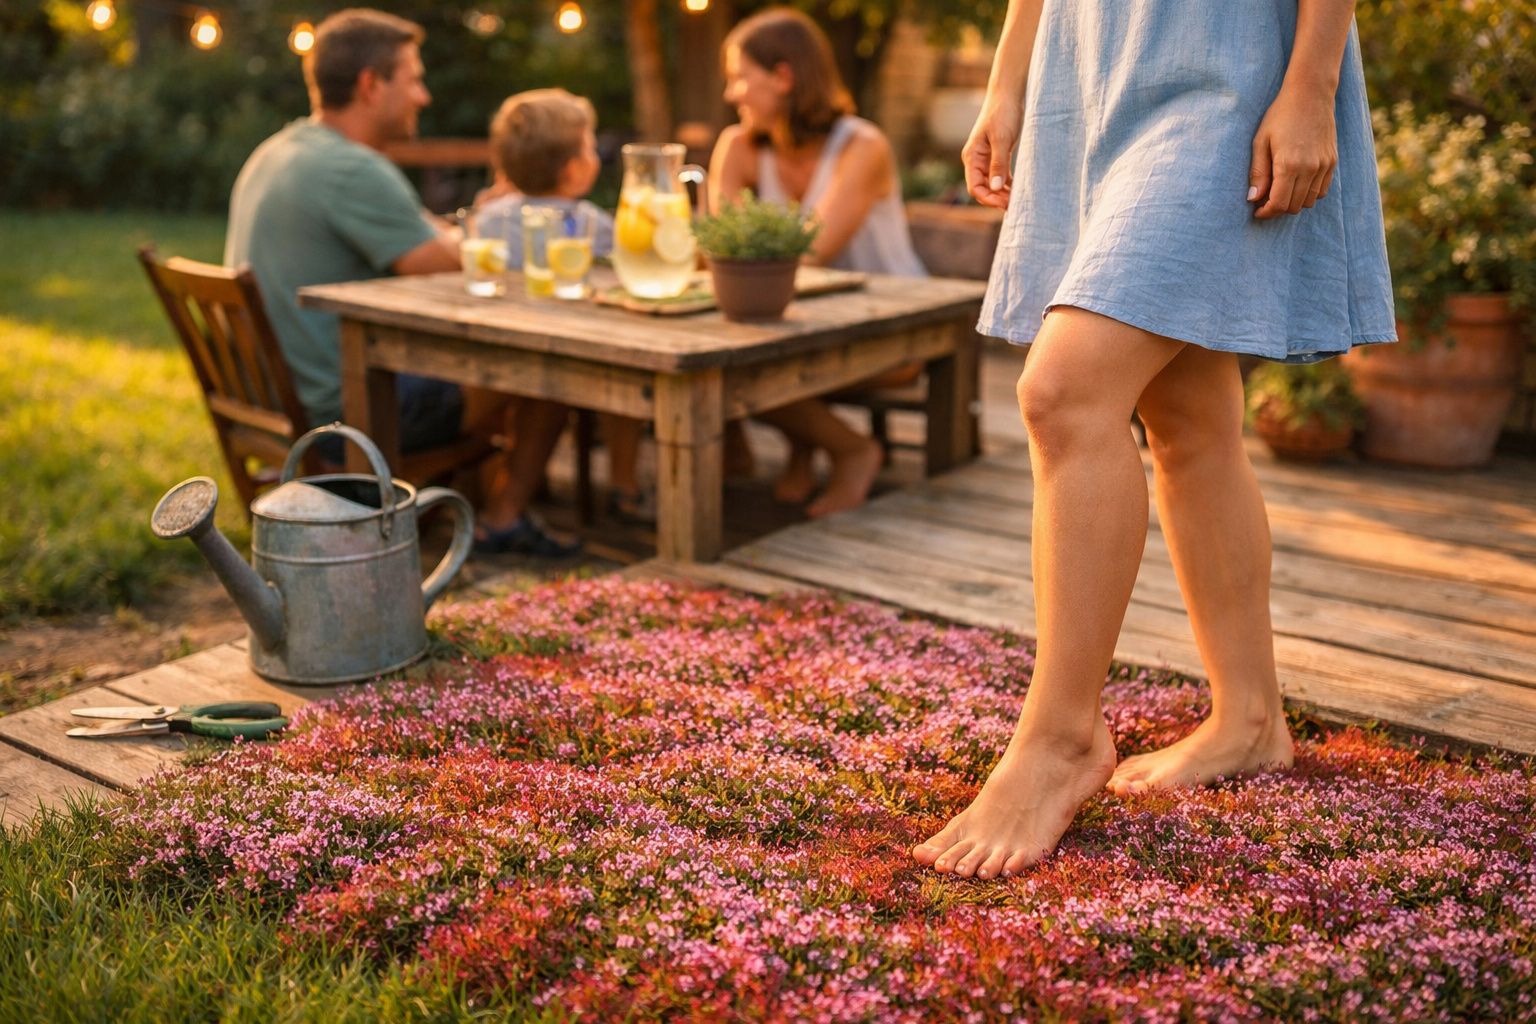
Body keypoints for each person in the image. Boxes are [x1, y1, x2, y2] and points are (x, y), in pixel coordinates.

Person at [911, 0, 1396, 880]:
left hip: (1228, 64)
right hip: (1088, 62)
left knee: (1065, 391)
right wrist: (1007, 76)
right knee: (1189, 421)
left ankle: (1061, 737)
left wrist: (1312, 82)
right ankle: (1250, 717)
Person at [225, 8, 579, 557]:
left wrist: (465, 228)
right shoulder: (353, 169)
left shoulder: (281, 151)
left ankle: (488, 494)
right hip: (346, 416)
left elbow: (426, 234)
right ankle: (503, 519)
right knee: (551, 362)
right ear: (371, 85)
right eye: (413, 78)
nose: (424, 96)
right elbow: (446, 260)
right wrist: (486, 230)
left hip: (280, 402)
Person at [708, 6, 928, 518]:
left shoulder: (863, 146)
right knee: (728, 357)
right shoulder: (738, 146)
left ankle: (851, 451)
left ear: (783, 77)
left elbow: (811, 252)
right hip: (793, 325)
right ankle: (806, 446)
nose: (730, 94)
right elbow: (719, 249)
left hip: (889, 329)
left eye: (740, 78)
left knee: (743, 370)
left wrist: (736, 243)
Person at [475, 89, 651, 523]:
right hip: (579, 350)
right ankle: (624, 485)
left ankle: (528, 482)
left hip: (503, 353)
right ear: (573, 170)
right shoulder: (591, 222)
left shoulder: (490, 217)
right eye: (591, 146)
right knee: (624, 375)